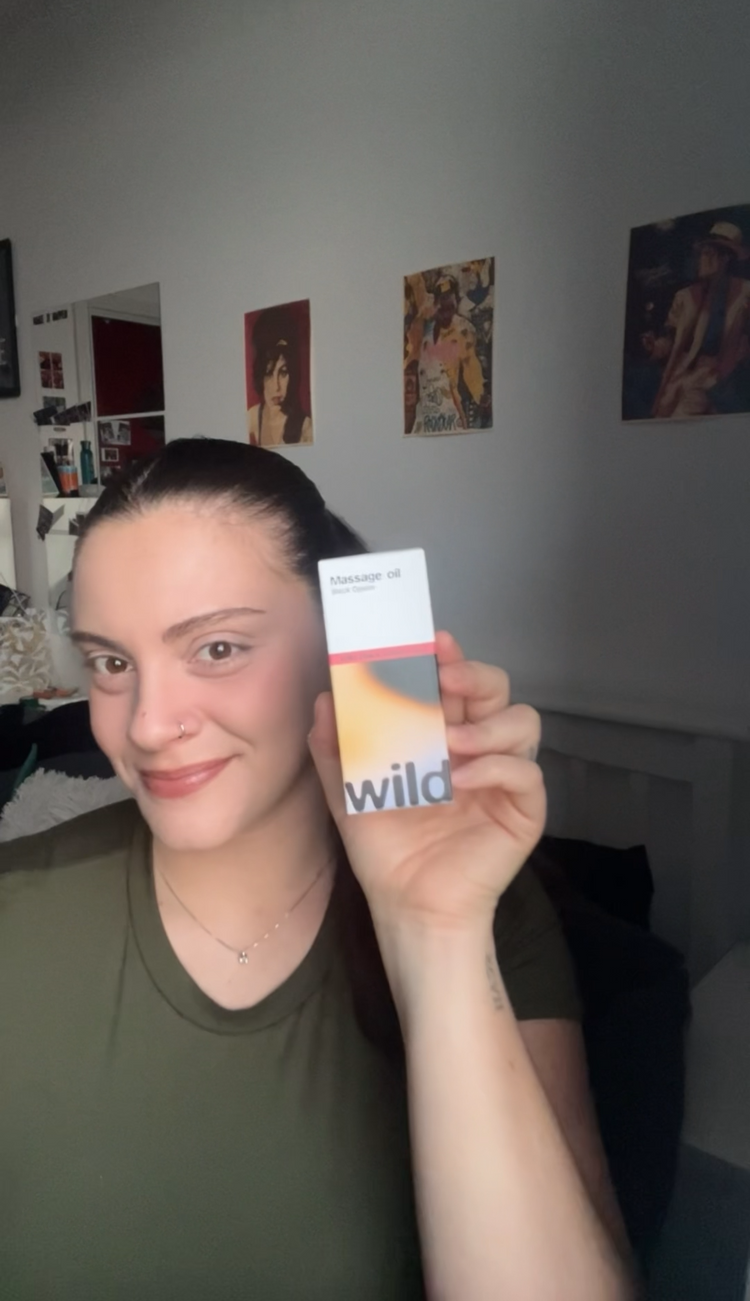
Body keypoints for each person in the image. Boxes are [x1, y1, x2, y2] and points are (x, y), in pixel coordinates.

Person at [0, 438, 634, 1299]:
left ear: (341, 649)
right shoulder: (17, 911)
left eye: (217, 648)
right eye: (112, 663)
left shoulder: (492, 927)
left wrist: (432, 930)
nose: (147, 724)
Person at [642, 221, 750, 419]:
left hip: (716, 380)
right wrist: (654, 347)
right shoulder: (684, 297)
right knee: (662, 415)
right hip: (680, 376)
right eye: (701, 253)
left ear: (725, 258)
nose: (701, 259)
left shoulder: (745, 293)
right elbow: (670, 340)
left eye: (708, 254)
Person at [410, 273, 488, 434]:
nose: (445, 312)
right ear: (435, 304)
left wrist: (480, 394)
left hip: (449, 414)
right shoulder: (425, 327)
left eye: (449, 307)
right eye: (442, 307)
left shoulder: (463, 330)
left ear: (456, 302)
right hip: (424, 415)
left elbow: (471, 366)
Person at [247, 307, 312, 447]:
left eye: (283, 373)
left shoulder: (306, 428)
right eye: (268, 373)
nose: (276, 387)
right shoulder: (252, 417)